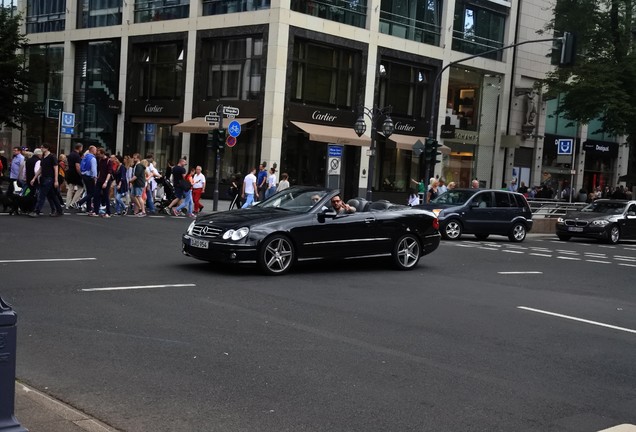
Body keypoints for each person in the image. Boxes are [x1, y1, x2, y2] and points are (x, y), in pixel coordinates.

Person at [29, 143, 64, 217]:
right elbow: (41, 168)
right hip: (44, 178)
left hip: (49, 178)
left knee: (42, 195)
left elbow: (56, 168)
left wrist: (56, 180)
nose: (41, 149)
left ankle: (36, 211)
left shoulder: (52, 157)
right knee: (52, 195)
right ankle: (59, 210)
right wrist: (34, 178)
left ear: (47, 148)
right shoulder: (43, 157)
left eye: (42, 147)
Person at [76, 146, 98, 213]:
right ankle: (80, 202)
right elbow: (94, 169)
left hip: (84, 175)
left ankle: (89, 208)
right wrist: (95, 177)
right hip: (90, 176)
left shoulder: (85, 157)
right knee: (93, 193)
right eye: (95, 150)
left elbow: (81, 166)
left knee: (88, 192)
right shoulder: (93, 158)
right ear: (92, 150)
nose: (96, 151)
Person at [65, 143, 84, 209]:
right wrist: (81, 174)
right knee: (80, 188)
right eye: (82, 148)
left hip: (69, 173)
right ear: (80, 147)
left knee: (70, 189)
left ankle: (67, 204)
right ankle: (73, 203)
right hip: (75, 174)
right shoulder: (77, 156)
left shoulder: (70, 154)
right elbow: (77, 166)